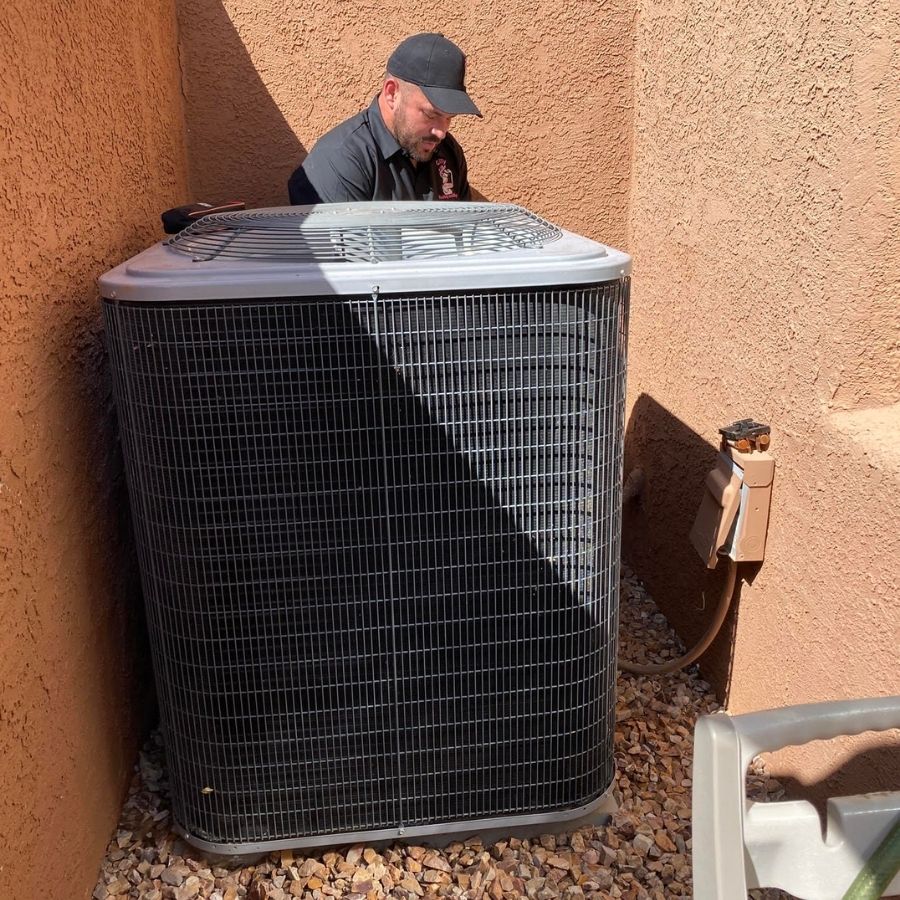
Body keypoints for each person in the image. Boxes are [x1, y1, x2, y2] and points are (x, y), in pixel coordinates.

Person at [287, 33, 481, 205]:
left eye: (449, 118)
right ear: (392, 93)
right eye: (431, 114)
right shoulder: (340, 160)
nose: (441, 132)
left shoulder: (448, 152)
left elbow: (464, 230)